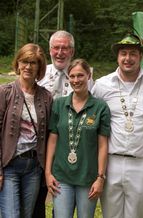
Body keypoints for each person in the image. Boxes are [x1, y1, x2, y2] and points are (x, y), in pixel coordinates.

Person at [92, 32, 143, 218]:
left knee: (135, 214)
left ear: (141, 56)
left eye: (133, 53)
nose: (128, 58)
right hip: (110, 162)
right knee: (111, 214)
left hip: (141, 163)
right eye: (123, 53)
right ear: (117, 57)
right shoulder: (102, 85)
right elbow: (91, 123)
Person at [35, 30, 93, 217]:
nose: (60, 52)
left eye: (65, 48)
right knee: (38, 199)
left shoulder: (84, 77)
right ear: (50, 50)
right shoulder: (39, 75)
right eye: (56, 48)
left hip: (74, 149)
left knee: (68, 200)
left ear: (72, 51)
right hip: (41, 146)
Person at [45, 58, 110, 217]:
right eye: (72, 76)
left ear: (89, 75)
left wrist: (100, 177)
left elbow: (103, 145)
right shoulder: (59, 104)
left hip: (88, 178)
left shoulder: (100, 107)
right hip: (61, 177)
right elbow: (52, 139)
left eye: (80, 75)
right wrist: (48, 172)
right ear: (68, 78)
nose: (76, 80)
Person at [0, 43, 52, 218]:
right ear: (18, 63)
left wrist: (47, 169)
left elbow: (49, 135)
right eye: (24, 61)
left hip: (34, 168)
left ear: (40, 67)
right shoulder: (5, 92)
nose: (28, 67)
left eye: (33, 63)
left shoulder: (46, 97)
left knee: (26, 214)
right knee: (11, 214)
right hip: (10, 166)